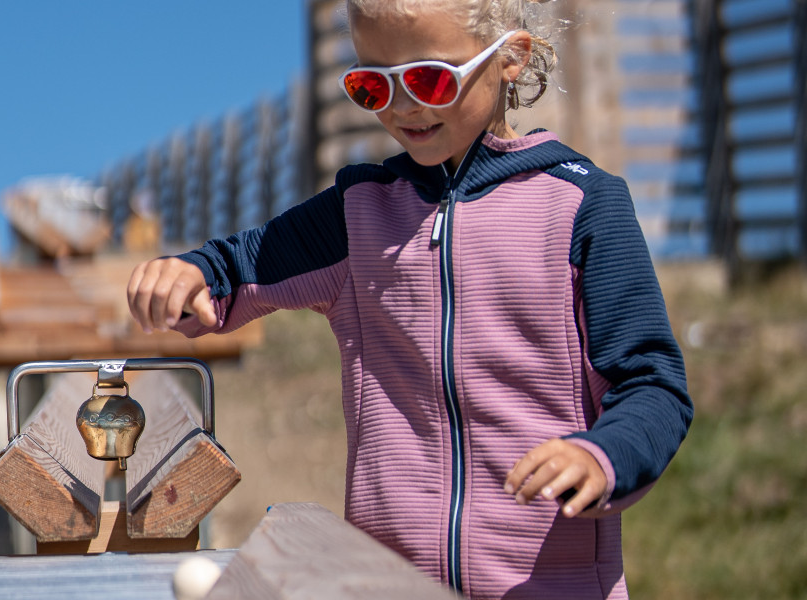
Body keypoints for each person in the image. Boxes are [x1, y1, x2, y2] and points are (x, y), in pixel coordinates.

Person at [126, 1, 691, 598]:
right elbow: (238, 266)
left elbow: (652, 387)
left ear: (510, 59)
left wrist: (602, 457)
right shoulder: (358, 213)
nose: (402, 105)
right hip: (387, 586)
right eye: (373, 85)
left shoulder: (582, 207)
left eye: (428, 78)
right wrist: (188, 277)